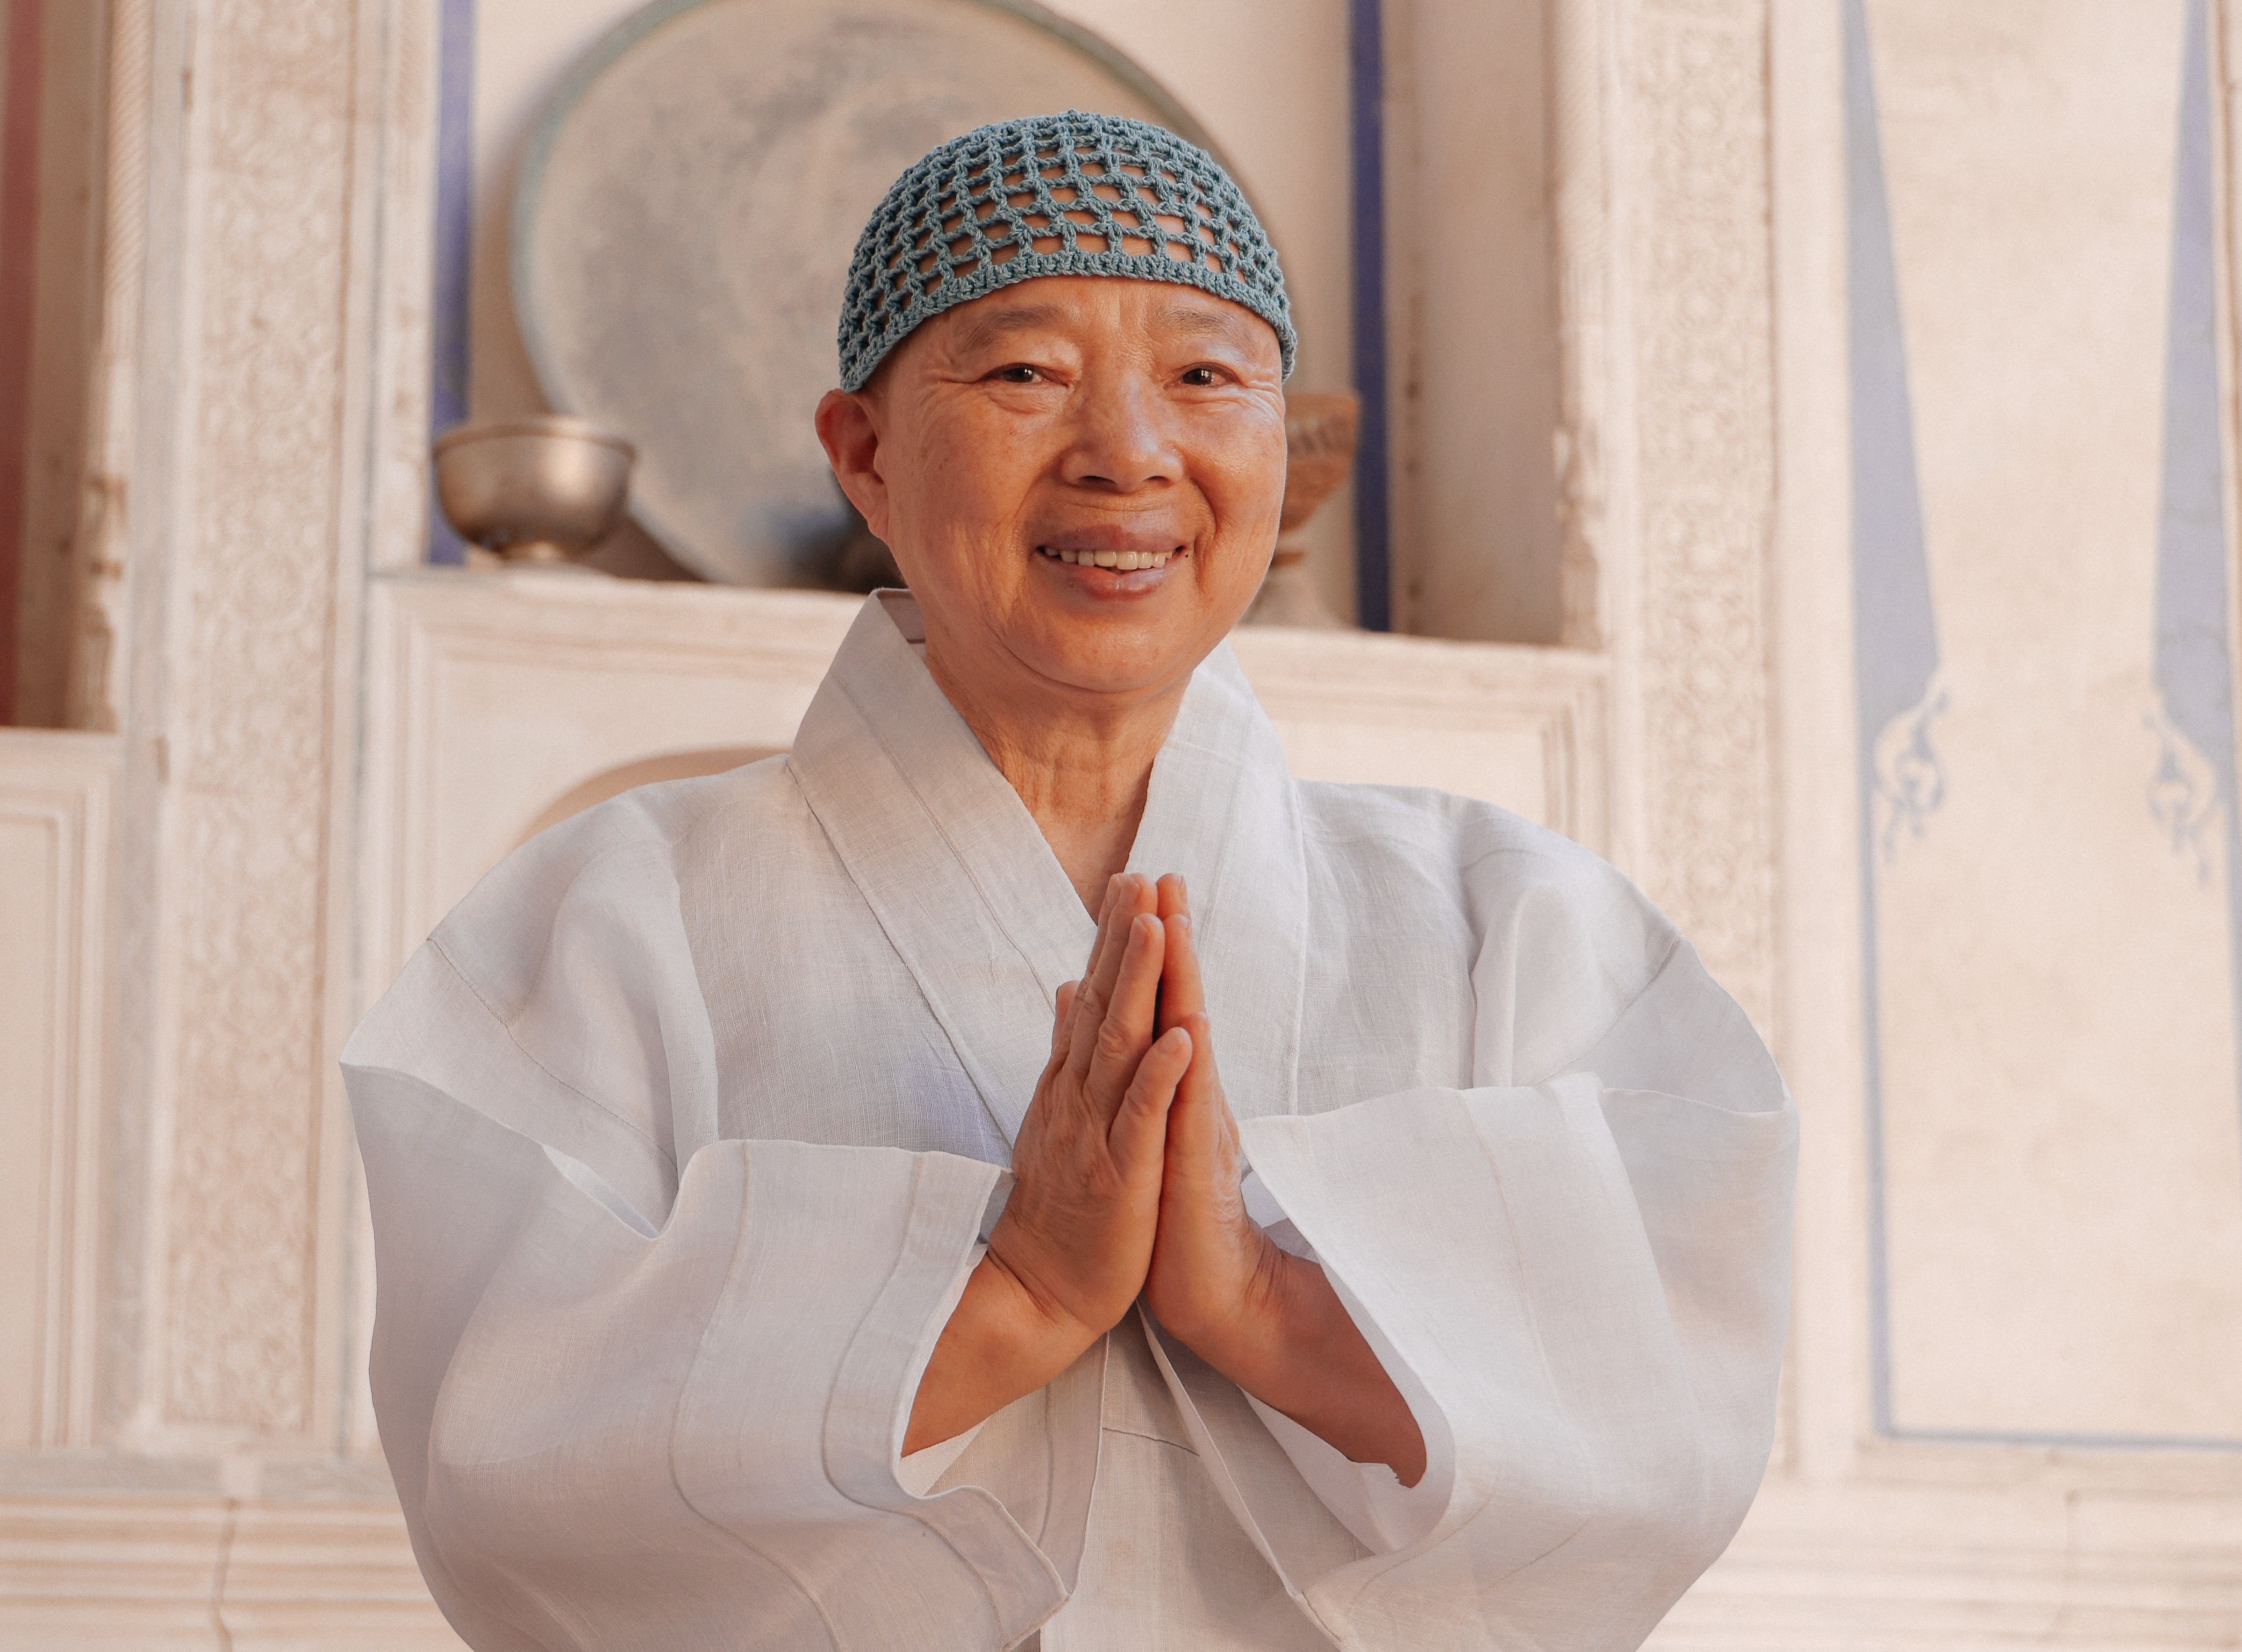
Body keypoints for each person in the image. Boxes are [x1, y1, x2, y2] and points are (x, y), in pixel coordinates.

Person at [342, 111, 1795, 1652]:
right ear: (865, 453)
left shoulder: (1505, 921)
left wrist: (1263, 1306)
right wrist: (1014, 1293)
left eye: (1206, 378)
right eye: (1027, 373)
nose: (1128, 451)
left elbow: (1662, 1424)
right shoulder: (612, 918)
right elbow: (508, 1468)